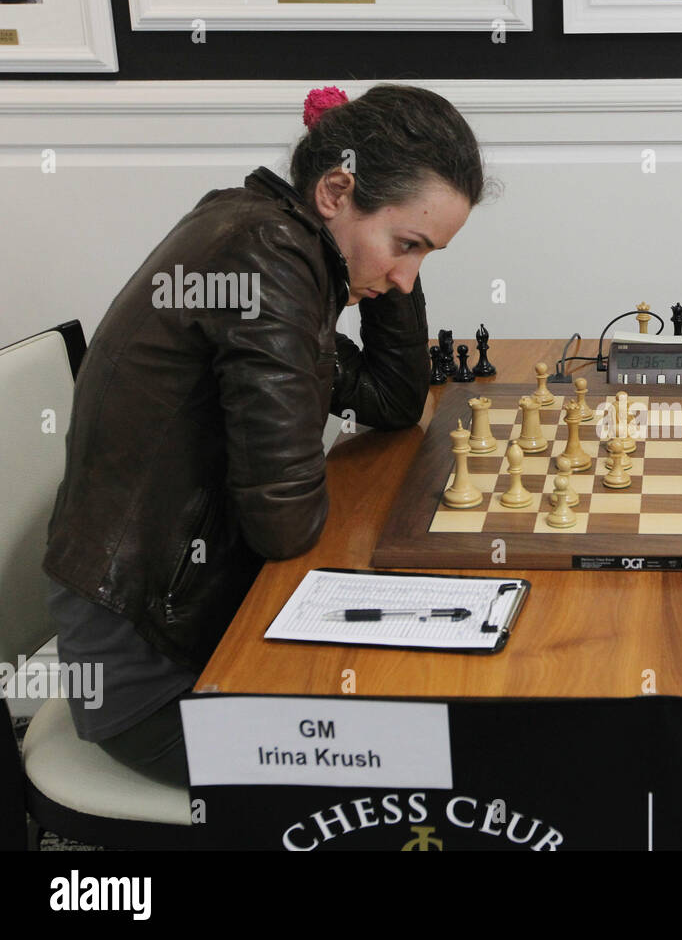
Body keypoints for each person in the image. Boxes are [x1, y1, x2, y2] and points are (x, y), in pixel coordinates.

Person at [43, 83, 485, 786]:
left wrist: (395, 271)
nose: (405, 276)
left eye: (426, 255)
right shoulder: (264, 260)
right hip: (153, 678)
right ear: (335, 192)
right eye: (406, 244)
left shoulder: (275, 240)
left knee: (443, 703)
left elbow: (392, 400)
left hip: (189, 615)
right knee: (429, 759)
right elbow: (284, 526)